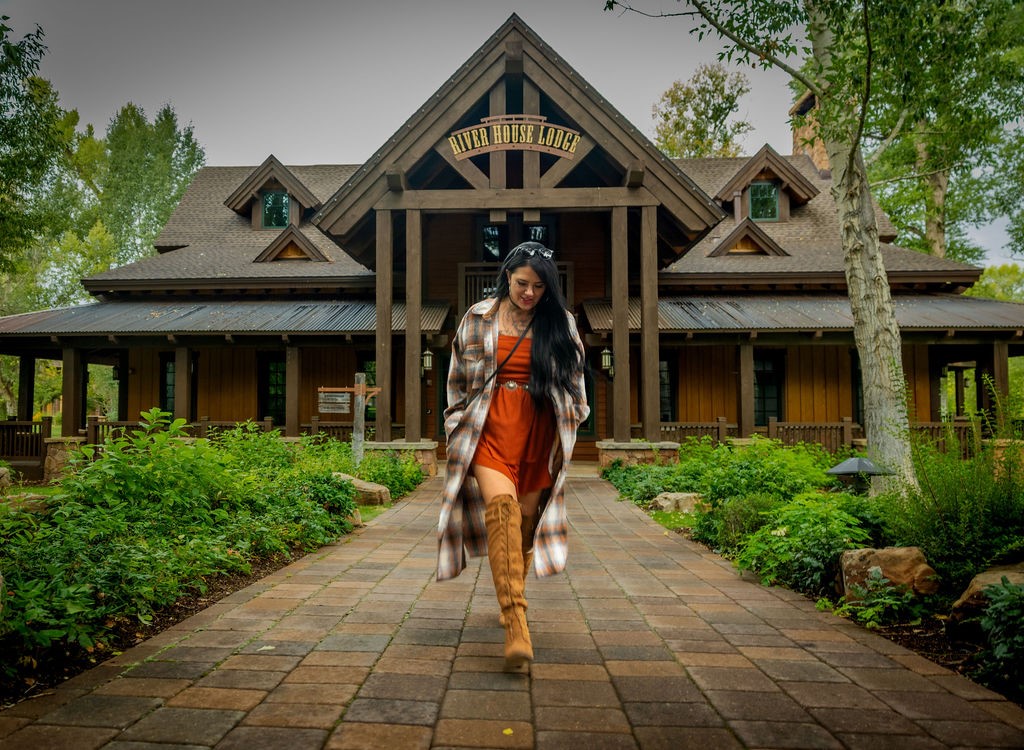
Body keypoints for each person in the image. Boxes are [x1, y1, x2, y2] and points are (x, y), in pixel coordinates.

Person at [436, 241, 590, 671]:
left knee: (521, 530)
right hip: (489, 427)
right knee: (500, 510)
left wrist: (571, 422)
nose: (529, 293)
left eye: (538, 287)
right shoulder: (478, 317)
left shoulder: (560, 322)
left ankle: (511, 595)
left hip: (539, 433)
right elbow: (458, 379)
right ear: (508, 277)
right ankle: (515, 624)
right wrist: (455, 424)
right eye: (523, 283)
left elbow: (577, 384)